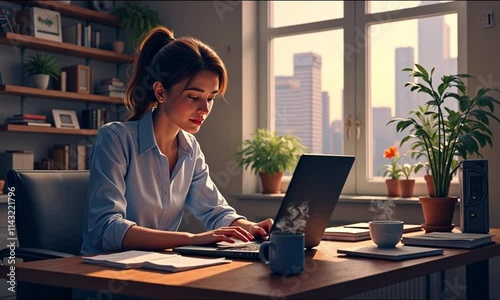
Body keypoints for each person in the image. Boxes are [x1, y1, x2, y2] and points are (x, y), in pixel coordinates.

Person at [81, 26, 273, 256]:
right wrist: (191, 239)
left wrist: (250, 227)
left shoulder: (190, 148)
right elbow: (106, 229)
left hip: (160, 270)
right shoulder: (115, 139)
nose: (205, 109)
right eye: (194, 97)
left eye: (210, 98)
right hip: (104, 276)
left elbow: (216, 212)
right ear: (160, 92)